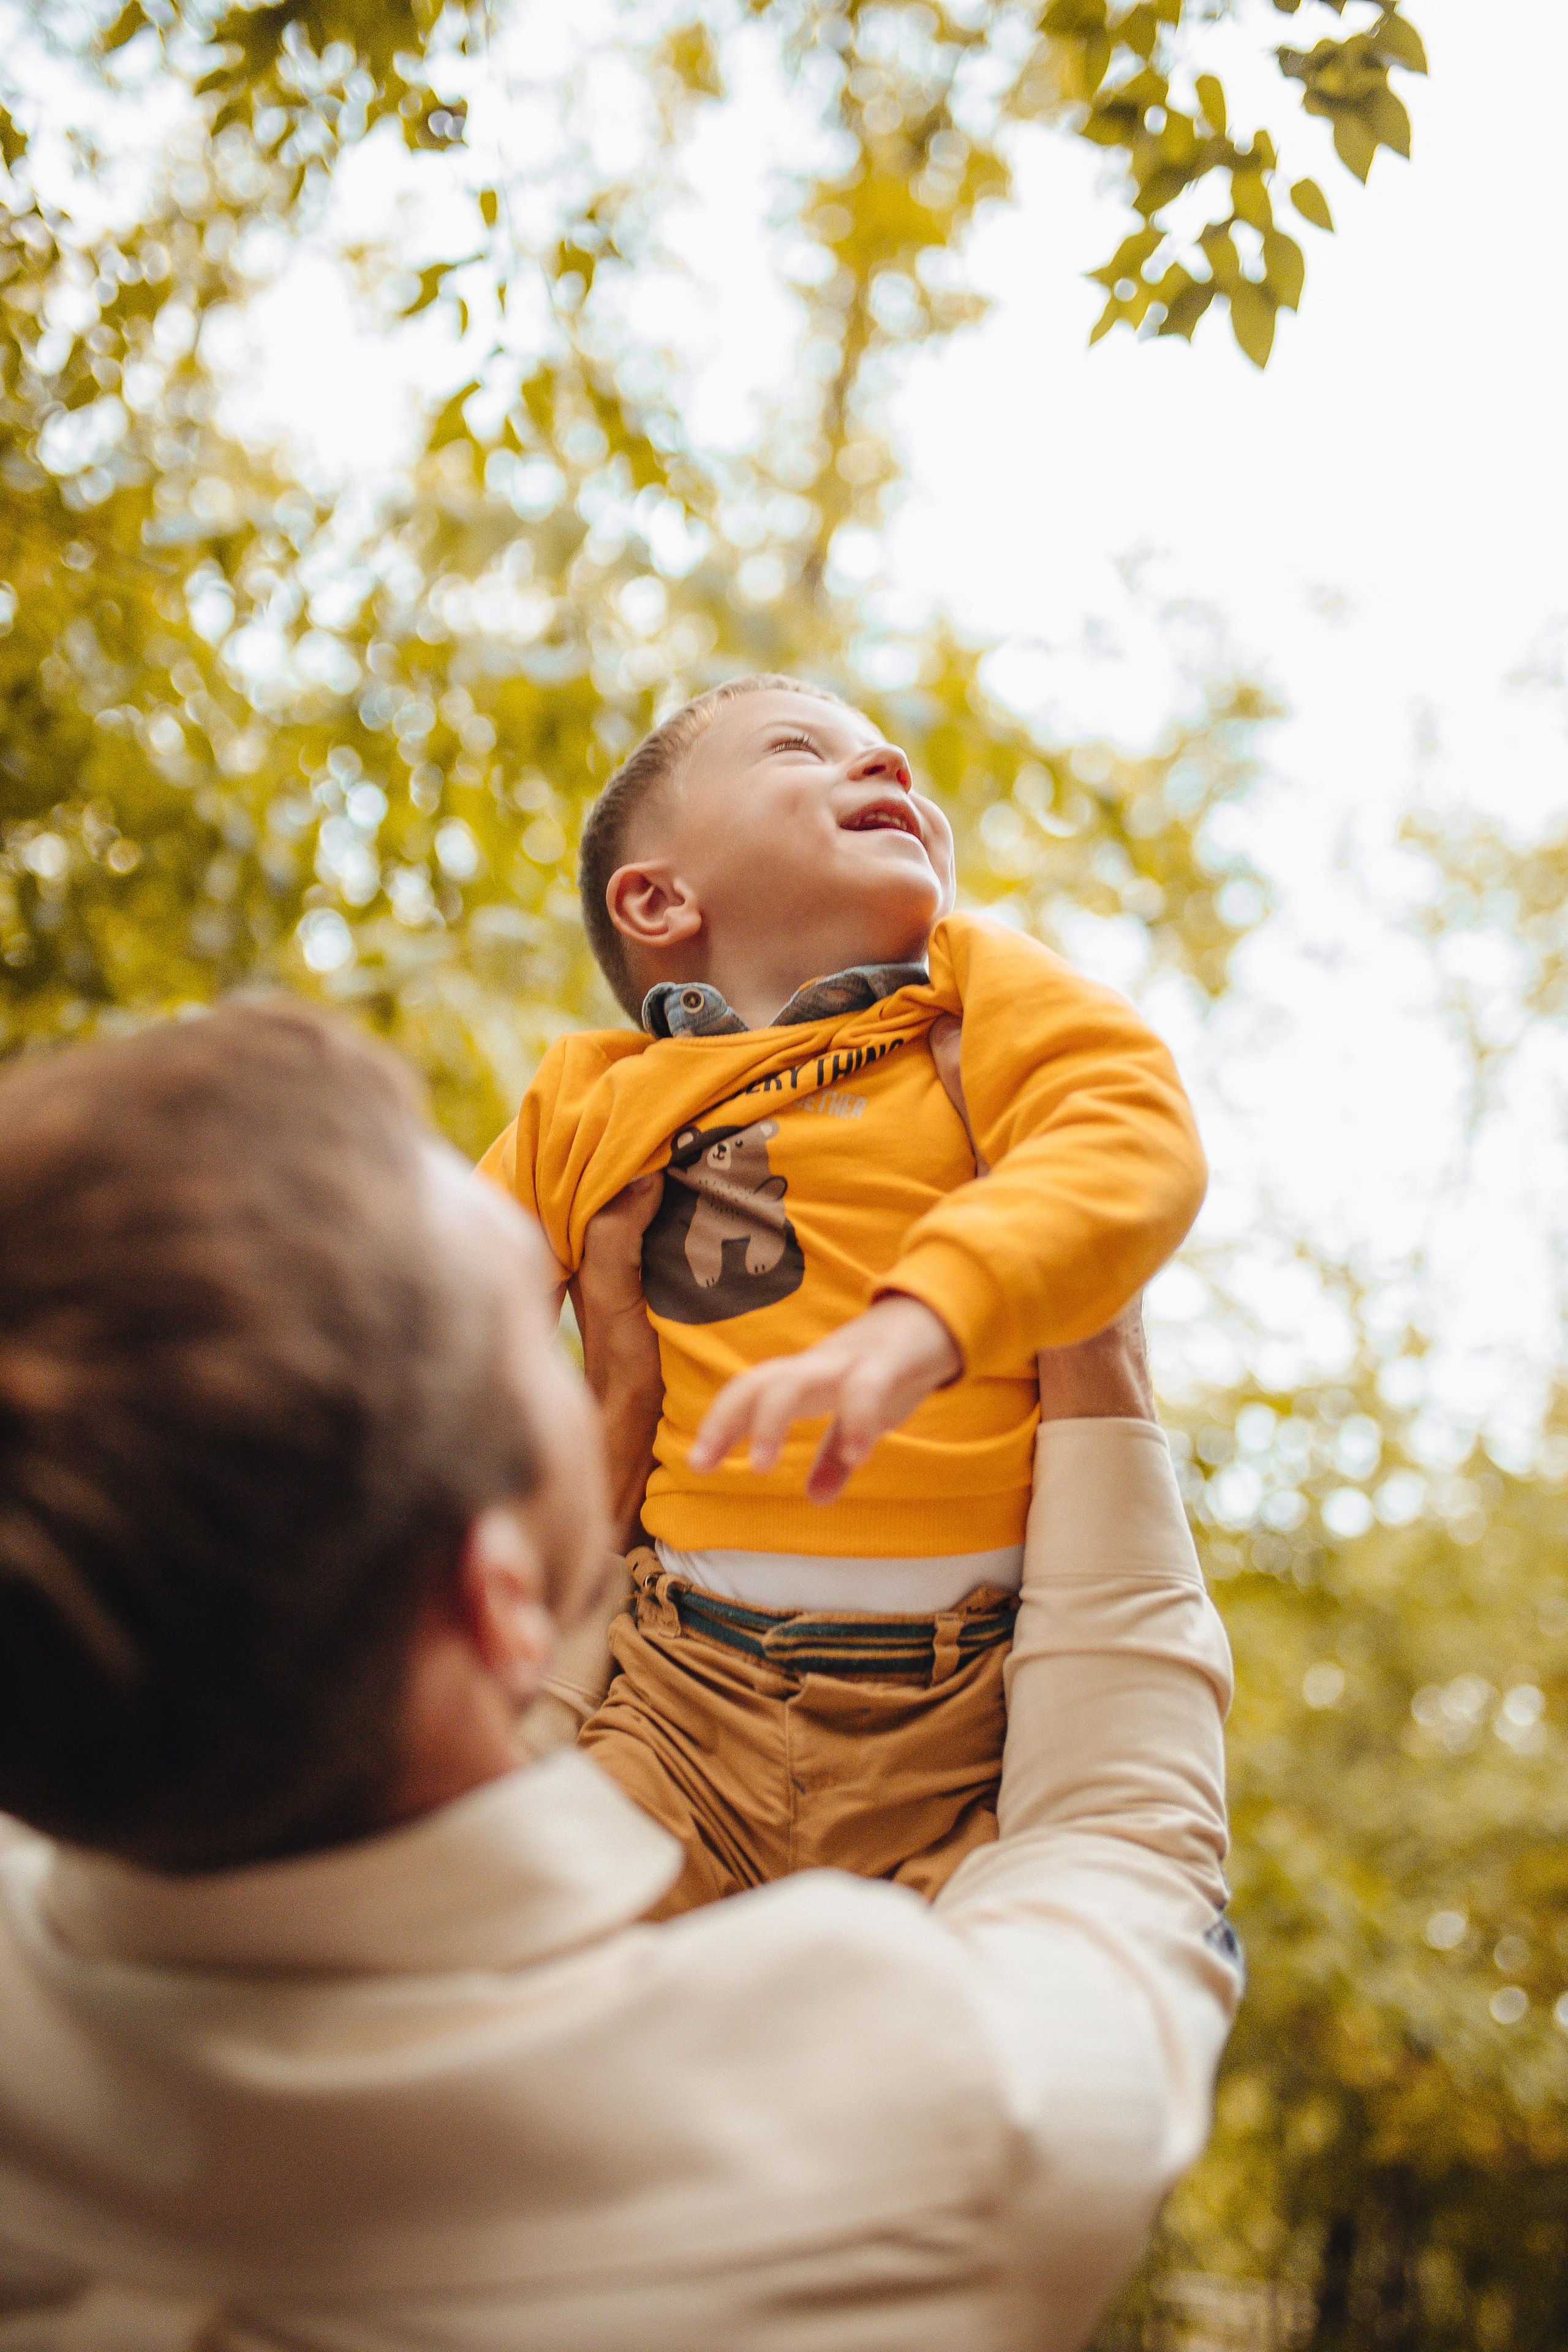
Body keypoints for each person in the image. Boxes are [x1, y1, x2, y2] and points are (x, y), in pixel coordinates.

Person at [0, 998, 1237, 2352]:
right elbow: (1123, 1847)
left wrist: (614, 1416)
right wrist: (1085, 1314)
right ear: (492, 1599)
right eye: (526, 1349)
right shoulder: (933, 2121)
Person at [482, 672, 1208, 1908]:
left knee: (939, 2046)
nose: (889, 771)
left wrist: (928, 1317)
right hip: (678, 1704)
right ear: (658, 899)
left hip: (964, 1724)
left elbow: (1128, 1137)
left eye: (888, 758)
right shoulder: (592, 1097)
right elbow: (439, 1313)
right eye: (799, 750)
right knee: (526, 1954)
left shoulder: (979, 992)